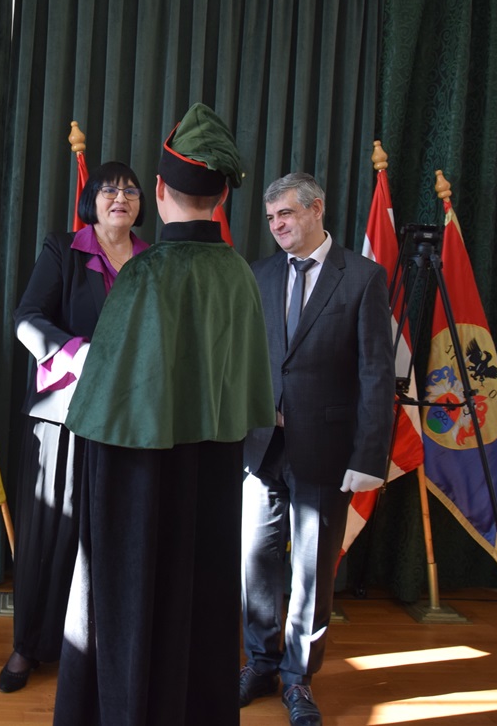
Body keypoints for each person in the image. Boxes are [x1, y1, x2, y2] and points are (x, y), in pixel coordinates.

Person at [54, 103, 275, 725]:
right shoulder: (239, 273)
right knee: (201, 600)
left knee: (129, 603)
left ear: (157, 189)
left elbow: (101, 401)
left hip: (137, 478)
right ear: (223, 195)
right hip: (213, 471)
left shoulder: (144, 273)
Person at [239, 172, 393, 726]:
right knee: (255, 562)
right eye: (271, 217)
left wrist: (368, 456)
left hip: (327, 449)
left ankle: (298, 678)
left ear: (316, 209)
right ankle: (260, 663)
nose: (277, 225)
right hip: (262, 447)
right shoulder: (258, 274)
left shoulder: (363, 278)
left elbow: (376, 374)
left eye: (286, 213)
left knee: (311, 571)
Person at [1, 162, 151, 693]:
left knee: (114, 533)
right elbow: (26, 318)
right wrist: (75, 353)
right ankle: (28, 646)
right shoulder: (63, 249)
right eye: (110, 189)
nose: (121, 197)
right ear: (92, 199)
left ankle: (100, 647)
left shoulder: (152, 260)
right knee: (51, 532)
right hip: (63, 412)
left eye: (131, 190)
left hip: (131, 420)